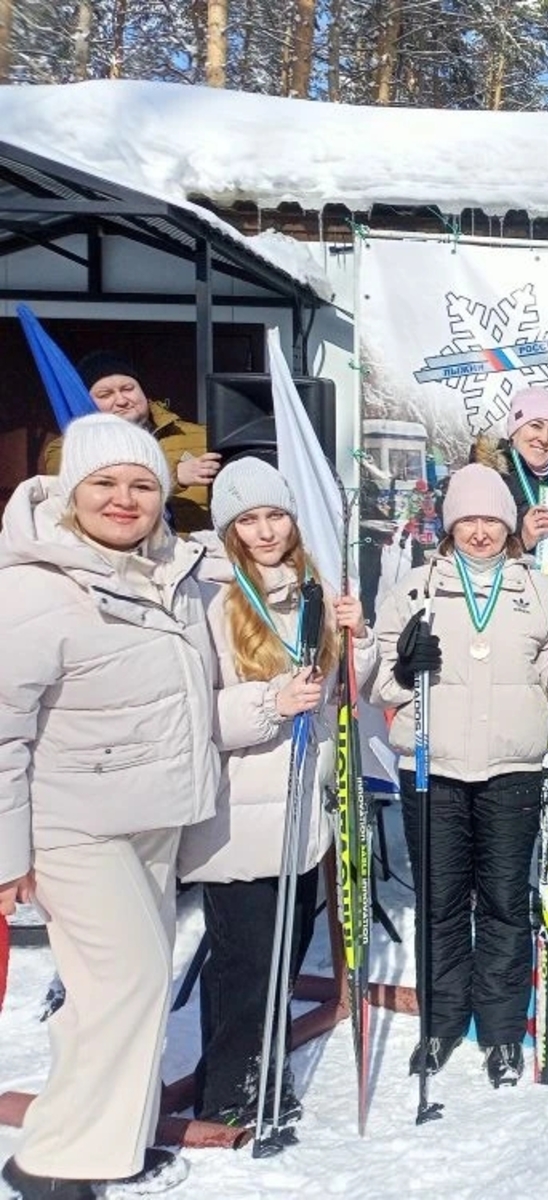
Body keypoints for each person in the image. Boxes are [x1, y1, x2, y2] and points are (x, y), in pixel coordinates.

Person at [0, 414, 220, 1199]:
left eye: (141, 485)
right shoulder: (30, 586)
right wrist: (7, 856)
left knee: (125, 987)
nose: (124, 500)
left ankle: (109, 1144)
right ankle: (53, 1162)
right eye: (104, 483)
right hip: (72, 826)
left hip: (150, 815)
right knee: (124, 983)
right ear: (70, 492)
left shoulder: (165, 572)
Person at [371, 463, 548, 1089]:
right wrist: (406, 668)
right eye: (466, 519)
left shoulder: (540, 591)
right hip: (432, 766)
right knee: (439, 904)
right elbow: (381, 681)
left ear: (508, 526)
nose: (479, 532)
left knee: (502, 903)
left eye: (491, 519)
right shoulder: (415, 588)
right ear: (448, 526)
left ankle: (499, 1031)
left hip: (512, 768)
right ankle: (440, 1023)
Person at [179, 457, 375, 1126]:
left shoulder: (309, 585)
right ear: (228, 525)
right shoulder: (206, 595)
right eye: (249, 519)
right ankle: (229, 1091)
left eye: (275, 515)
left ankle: (262, 1074)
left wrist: (358, 636)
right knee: (245, 964)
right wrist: (269, 701)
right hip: (237, 814)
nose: (265, 531)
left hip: (298, 809)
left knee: (286, 956)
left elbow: (344, 693)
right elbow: (190, 713)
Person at [38, 352, 220, 534]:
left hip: (194, 554)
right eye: (105, 394)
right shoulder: (68, 447)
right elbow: (76, 480)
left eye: (127, 388)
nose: (121, 400)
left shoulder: (201, 435)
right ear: (86, 403)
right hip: (118, 557)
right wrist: (173, 473)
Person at [472, 385, 548, 557]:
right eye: (536, 426)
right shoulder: (484, 477)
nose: (544, 439)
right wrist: (521, 540)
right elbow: (466, 550)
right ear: (514, 431)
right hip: (506, 582)